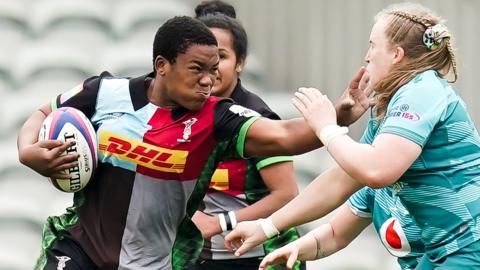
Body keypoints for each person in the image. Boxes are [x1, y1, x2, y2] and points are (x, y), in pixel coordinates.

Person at [17, 16, 368, 270]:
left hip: (153, 263)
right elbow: (42, 113)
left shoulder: (218, 118)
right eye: (196, 69)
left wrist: (338, 116)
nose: (208, 81)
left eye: (214, 69)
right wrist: (26, 151)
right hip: (79, 250)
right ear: (162, 65)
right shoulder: (104, 92)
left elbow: (287, 136)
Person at [225, 2, 480, 269]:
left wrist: (326, 126)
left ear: (396, 54)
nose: (367, 56)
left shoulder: (422, 89)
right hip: (443, 256)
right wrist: (268, 229)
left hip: (467, 251)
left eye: (372, 45)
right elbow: (340, 186)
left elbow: (375, 170)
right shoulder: (387, 117)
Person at [172, 2, 303, 270]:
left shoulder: (258, 120)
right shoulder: (180, 116)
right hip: (198, 257)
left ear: (240, 62)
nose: (210, 68)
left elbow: (287, 194)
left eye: (220, 57)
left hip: (259, 258)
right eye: (200, 59)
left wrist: (222, 222)